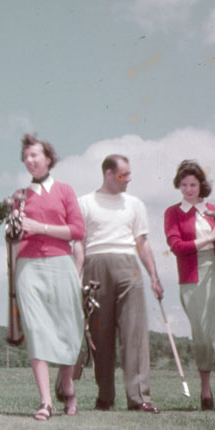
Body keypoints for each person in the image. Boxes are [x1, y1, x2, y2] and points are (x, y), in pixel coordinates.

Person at [75, 154, 164, 413]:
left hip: (129, 267)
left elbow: (143, 243)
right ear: (108, 174)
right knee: (100, 336)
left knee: (134, 335)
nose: (128, 180)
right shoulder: (85, 203)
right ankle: (105, 396)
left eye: (129, 175)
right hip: (95, 266)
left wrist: (154, 277)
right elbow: (78, 244)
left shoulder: (135, 204)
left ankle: (139, 398)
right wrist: (75, 275)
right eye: (123, 175)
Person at [9, 134, 85, 420]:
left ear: (48, 159)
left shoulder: (65, 191)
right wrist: (14, 228)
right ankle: (46, 401)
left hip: (61, 263)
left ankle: (67, 385)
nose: (29, 160)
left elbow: (77, 231)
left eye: (34, 155)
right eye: (26, 157)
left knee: (68, 328)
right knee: (37, 331)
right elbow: (17, 233)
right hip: (28, 267)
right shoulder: (19, 195)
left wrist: (39, 227)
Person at [163, 159, 215, 415]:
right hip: (192, 279)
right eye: (184, 185)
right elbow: (177, 247)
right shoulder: (172, 213)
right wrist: (210, 237)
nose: (188, 189)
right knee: (203, 335)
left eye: (193, 184)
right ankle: (206, 390)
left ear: (201, 185)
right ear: (179, 185)